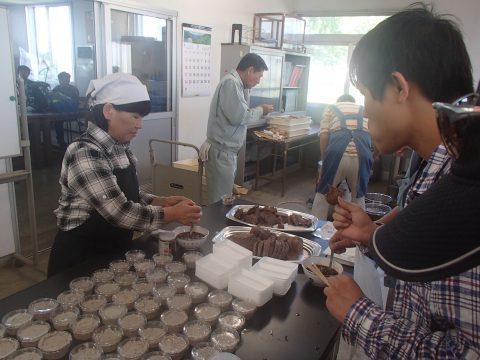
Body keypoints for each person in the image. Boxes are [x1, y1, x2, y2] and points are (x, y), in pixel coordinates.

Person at [324, 95, 480, 359]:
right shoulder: (443, 170)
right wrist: (372, 236)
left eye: (370, 97)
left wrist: (361, 315)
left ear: (399, 89)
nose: (367, 117)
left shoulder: (459, 187)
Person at [48, 73, 202, 277]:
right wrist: (172, 214)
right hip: (81, 256)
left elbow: (125, 193)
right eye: (135, 116)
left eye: (141, 118)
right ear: (108, 110)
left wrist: (160, 201)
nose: (140, 125)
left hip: (113, 248)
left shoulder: (120, 146)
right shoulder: (85, 152)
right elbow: (119, 212)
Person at [201, 53, 274, 204]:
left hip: (226, 152)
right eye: (258, 76)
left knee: (224, 198)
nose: (258, 81)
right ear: (250, 70)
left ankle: (220, 226)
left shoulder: (239, 85)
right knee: (220, 202)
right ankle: (217, 227)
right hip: (221, 152)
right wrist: (261, 109)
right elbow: (240, 117)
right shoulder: (231, 83)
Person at [311, 94, 373, 220]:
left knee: (323, 194)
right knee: (358, 197)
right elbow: (376, 137)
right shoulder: (364, 109)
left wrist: (324, 161)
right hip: (362, 156)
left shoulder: (331, 108)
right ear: (353, 103)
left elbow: (323, 137)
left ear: (339, 102)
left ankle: (315, 229)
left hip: (336, 153)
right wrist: (373, 157)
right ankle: (357, 234)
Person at [51, 72, 80, 147]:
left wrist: (65, 99)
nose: (63, 81)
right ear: (59, 80)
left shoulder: (73, 89)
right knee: (57, 120)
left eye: (65, 79)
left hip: (71, 112)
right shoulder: (56, 89)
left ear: (69, 80)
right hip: (59, 112)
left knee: (58, 120)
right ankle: (60, 142)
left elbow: (76, 101)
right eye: (61, 80)